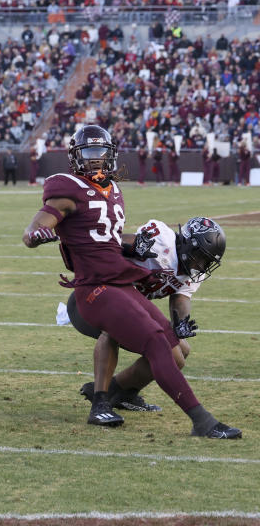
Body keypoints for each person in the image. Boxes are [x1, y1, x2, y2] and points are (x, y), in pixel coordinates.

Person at [22, 124, 240, 438]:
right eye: (89, 154)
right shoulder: (67, 188)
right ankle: (202, 422)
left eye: (101, 154)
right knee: (154, 341)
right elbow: (37, 225)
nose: (96, 161)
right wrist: (35, 234)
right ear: (75, 157)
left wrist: (128, 247)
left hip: (119, 281)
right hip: (95, 286)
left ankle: (108, 398)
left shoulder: (114, 191)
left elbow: (107, 241)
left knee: (173, 347)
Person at [69, 217, 227, 416]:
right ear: (188, 245)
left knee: (180, 352)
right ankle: (101, 398)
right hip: (94, 298)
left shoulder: (192, 270)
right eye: (201, 258)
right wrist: (131, 246)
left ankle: (122, 393)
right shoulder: (162, 240)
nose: (201, 266)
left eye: (207, 262)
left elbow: (181, 297)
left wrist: (181, 323)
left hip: (127, 308)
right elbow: (108, 244)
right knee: (114, 329)